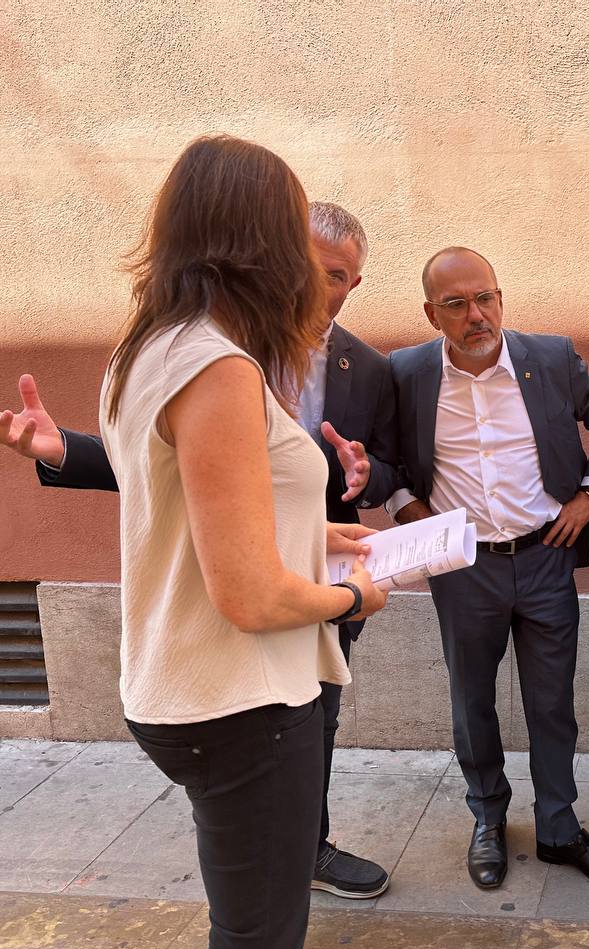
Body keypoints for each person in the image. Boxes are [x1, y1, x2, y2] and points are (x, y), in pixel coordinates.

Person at [1, 200, 399, 899]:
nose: (333, 290)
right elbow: (177, 471)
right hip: (242, 636)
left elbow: (388, 464)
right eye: (322, 270)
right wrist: (67, 451)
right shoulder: (219, 356)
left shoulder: (363, 364)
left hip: (321, 573)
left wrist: (368, 477)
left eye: (348, 279)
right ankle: (274, 848)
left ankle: (306, 845)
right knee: (254, 864)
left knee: (316, 734)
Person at [101, 134, 387, 949]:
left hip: (189, 689)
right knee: (261, 939)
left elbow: (193, 511)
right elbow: (252, 596)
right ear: (260, 241)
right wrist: (353, 598)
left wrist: (315, 530)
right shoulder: (216, 364)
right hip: (244, 699)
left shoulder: (148, 347)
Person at [385, 247, 589, 889]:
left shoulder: (548, 359)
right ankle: (488, 819)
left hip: (544, 557)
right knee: (472, 700)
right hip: (464, 566)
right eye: (457, 304)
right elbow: (382, 456)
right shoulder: (407, 372)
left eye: (486, 298)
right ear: (430, 313)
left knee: (552, 702)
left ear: (500, 298)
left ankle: (558, 827)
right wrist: (409, 508)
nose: (477, 315)